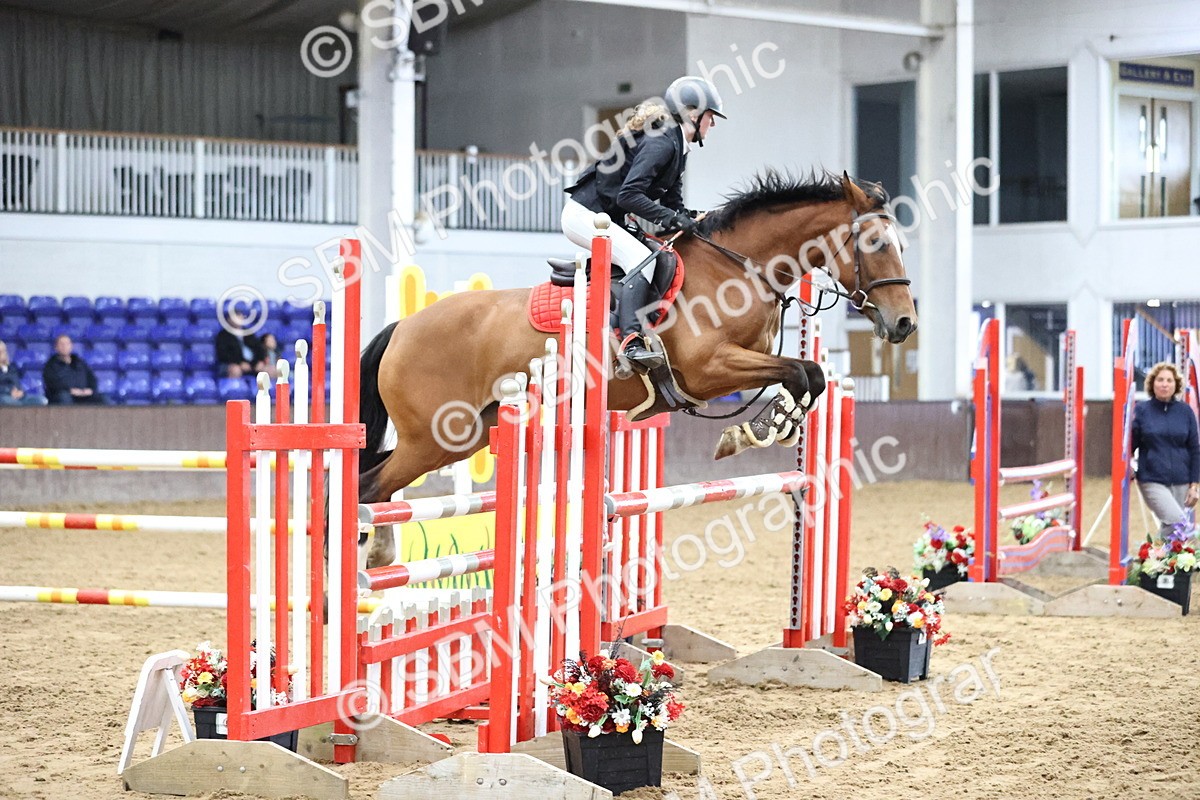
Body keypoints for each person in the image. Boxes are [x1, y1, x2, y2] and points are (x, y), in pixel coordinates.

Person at [562, 75, 726, 371]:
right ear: (693, 114)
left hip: (605, 218)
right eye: (710, 116)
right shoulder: (662, 142)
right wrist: (672, 218)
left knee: (659, 255)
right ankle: (630, 342)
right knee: (641, 260)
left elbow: (672, 203)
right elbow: (628, 195)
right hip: (584, 216)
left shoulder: (678, 146)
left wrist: (692, 218)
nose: (712, 124)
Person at [1131, 361, 1200, 536]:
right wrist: (1128, 465)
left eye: (1169, 380)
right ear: (1152, 383)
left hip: (1182, 480)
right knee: (1178, 522)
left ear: (1176, 385)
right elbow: (1131, 443)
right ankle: (1155, 552)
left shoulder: (1185, 412)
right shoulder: (1142, 410)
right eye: (1160, 380)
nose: (1164, 384)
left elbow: (1194, 449)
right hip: (1151, 479)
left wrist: (1194, 485)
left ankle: (1156, 553)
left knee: (1174, 532)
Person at [43, 334, 107, 405]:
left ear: (71, 346)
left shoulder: (80, 362)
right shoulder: (50, 365)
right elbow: (53, 384)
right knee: (64, 397)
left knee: (104, 398)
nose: (64, 346)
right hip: (63, 396)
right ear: (56, 347)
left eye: (67, 344)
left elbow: (92, 379)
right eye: (61, 344)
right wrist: (70, 390)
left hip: (83, 396)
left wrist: (90, 390)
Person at [215, 310, 269, 379]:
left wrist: (260, 361)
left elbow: (258, 348)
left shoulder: (248, 333)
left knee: (270, 370)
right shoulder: (223, 335)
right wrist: (239, 363)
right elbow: (223, 355)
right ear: (229, 320)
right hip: (231, 363)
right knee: (235, 370)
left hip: (251, 363)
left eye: (240, 317)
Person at [0, 340, 47, 406]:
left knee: (41, 400)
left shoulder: (12, 367)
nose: (3, 354)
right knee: (8, 402)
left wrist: (19, 391)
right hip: (4, 396)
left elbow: (16, 382)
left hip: (19, 395)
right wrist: (9, 391)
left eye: (4, 351)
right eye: (1, 351)